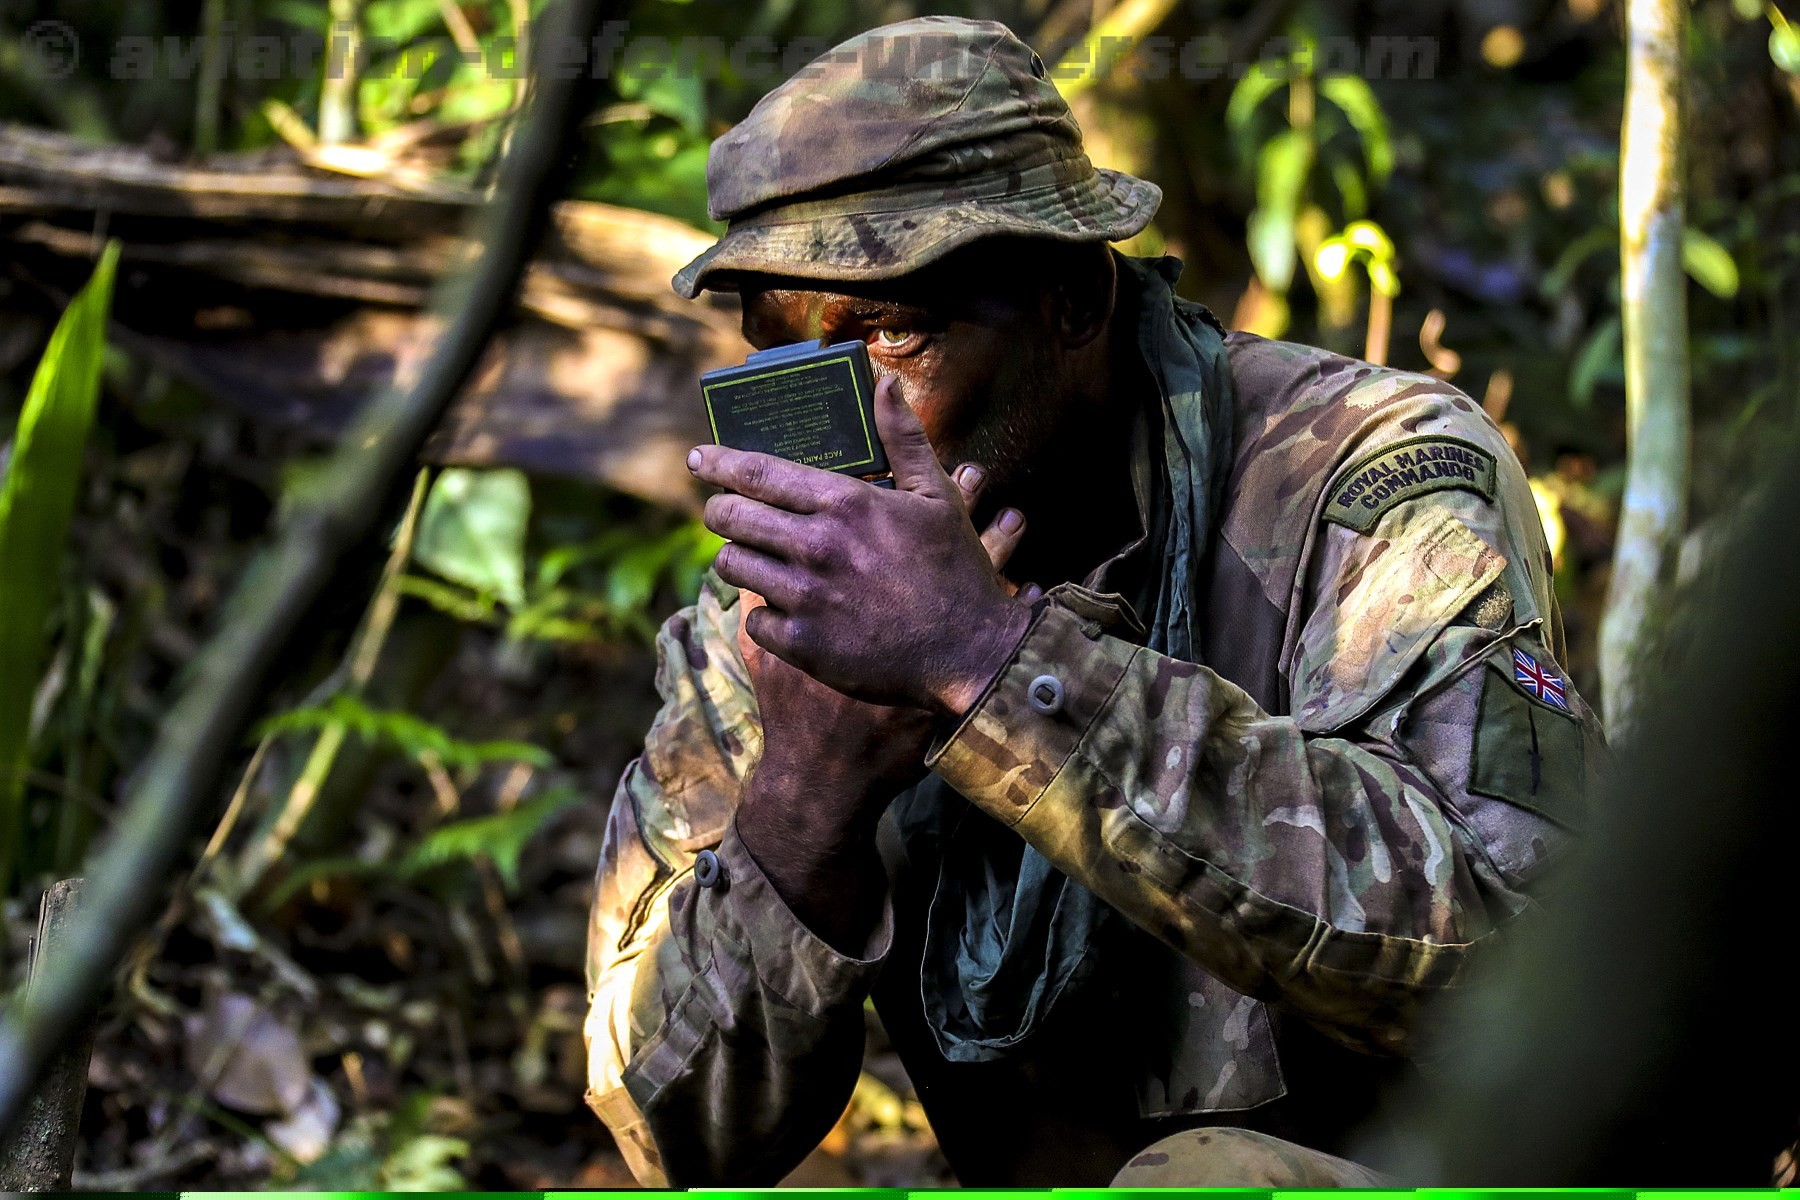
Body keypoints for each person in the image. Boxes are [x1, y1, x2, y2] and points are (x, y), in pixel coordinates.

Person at [580, 15, 1605, 1187]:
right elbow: (668, 1136)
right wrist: (806, 805)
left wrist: (992, 667)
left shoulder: (1359, 474)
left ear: (1072, 301)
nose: (839, 429)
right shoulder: (800, 589)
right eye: (782, 364)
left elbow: (1522, 948)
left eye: (890, 340)